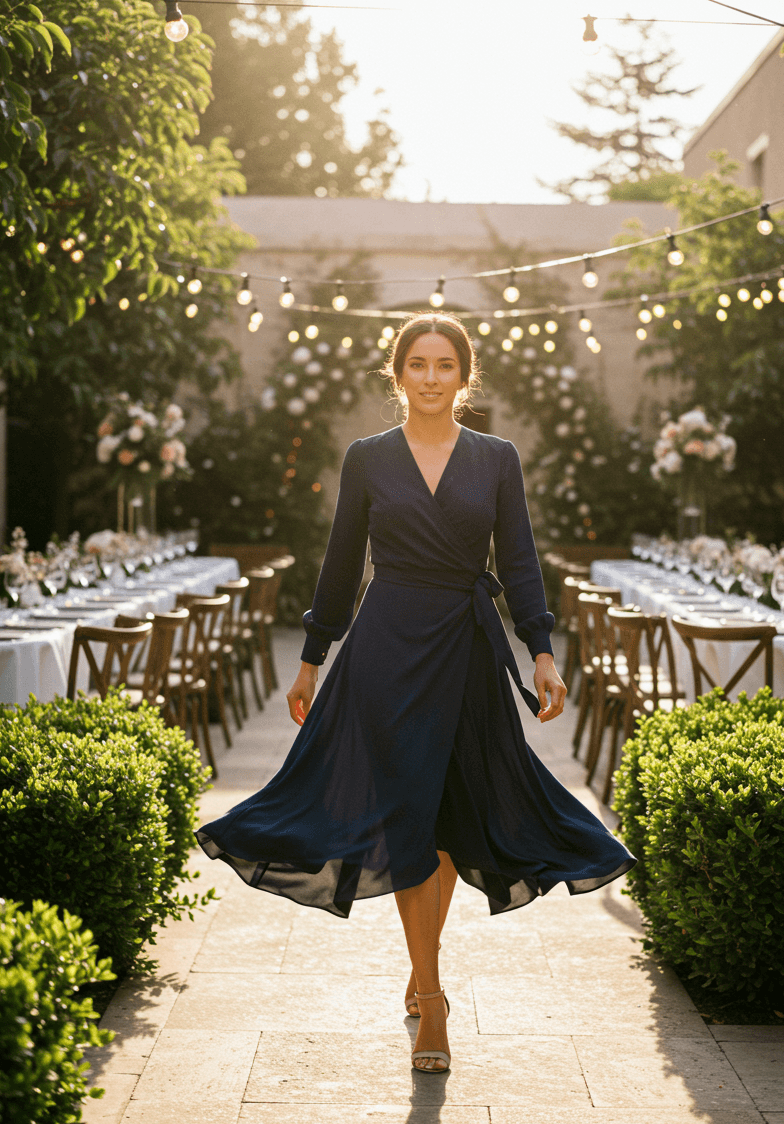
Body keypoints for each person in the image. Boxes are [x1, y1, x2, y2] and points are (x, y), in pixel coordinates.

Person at [196, 313, 634, 1074]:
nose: (432, 377)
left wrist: (541, 652)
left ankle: (420, 962)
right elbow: (339, 565)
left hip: (465, 651)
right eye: (418, 364)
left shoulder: (497, 459)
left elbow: (521, 561)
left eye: (445, 365)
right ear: (397, 374)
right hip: (386, 649)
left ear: (464, 377)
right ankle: (432, 997)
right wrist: (310, 657)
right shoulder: (367, 459)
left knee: (446, 818)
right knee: (405, 813)